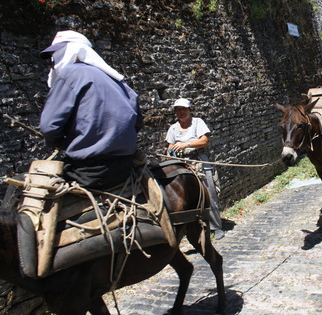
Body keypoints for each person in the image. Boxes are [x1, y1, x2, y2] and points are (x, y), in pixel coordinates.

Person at [39, 30, 143, 189]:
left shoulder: (70, 74)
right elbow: (137, 125)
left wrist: (61, 142)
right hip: (124, 167)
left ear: (71, 52)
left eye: (54, 57)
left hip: (89, 171)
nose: (53, 64)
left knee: (24, 186)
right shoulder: (118, 81)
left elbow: (49, 126)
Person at [165, 98, 225, 240]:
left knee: (209, 192)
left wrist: (186, 144)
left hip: (199, 161)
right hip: (181, 164)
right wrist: (170, 155)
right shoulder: (173, 129)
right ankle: (191, 229)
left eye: (184, 109)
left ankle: (216, 226)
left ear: (190, 110)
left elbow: (204, 140)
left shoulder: (198, 122)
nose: (181, 112)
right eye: (178, 110)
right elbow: (169, 148)